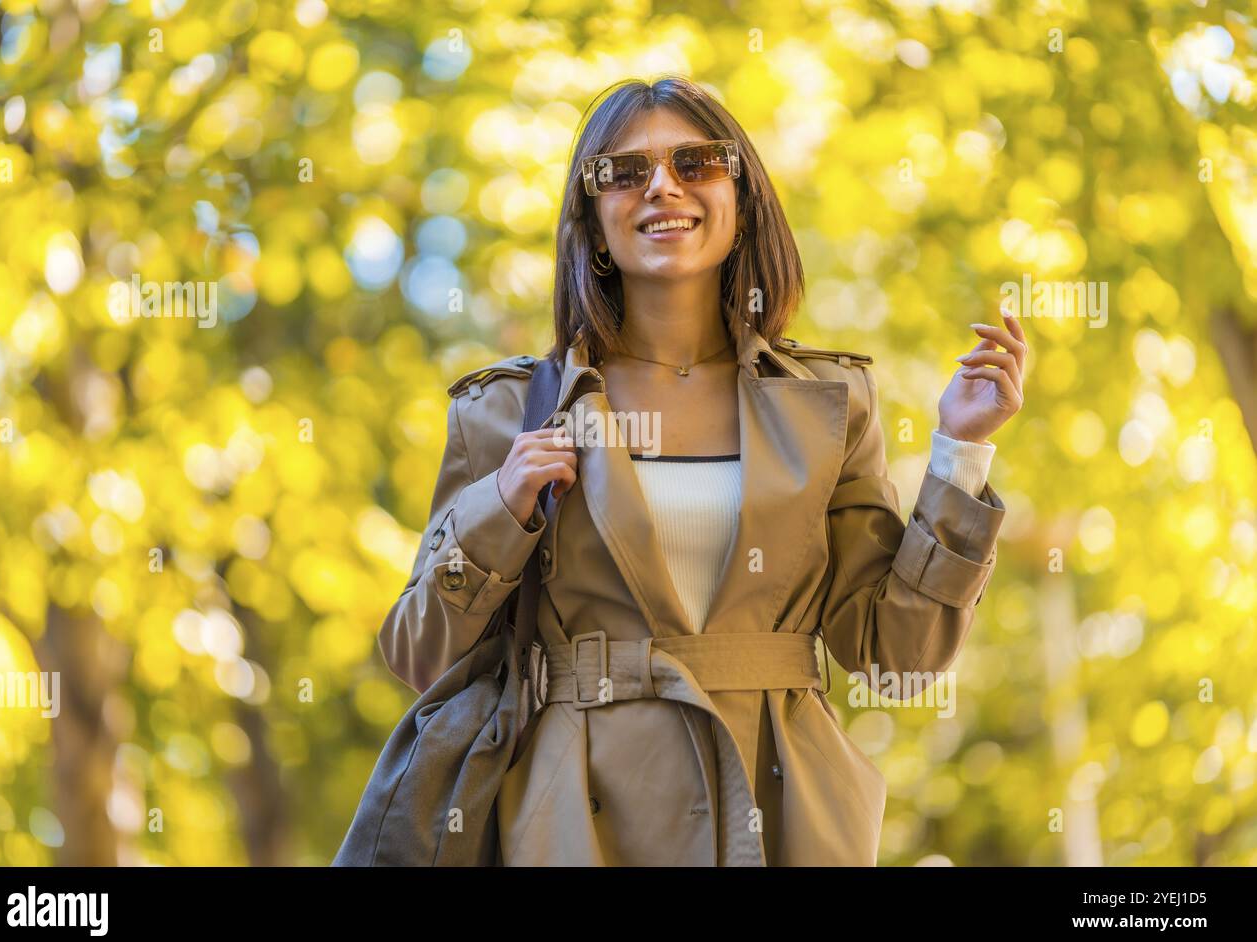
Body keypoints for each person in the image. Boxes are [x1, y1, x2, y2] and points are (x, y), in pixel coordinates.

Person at [379, 75, 1024, 865]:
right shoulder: (507, 411)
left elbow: (899, 659)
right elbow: (418, 655)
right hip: (571, 826)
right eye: (624, 171)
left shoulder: (831, 405)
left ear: (742, 197)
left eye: (696, 162)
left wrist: (959, 453)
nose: (661, 186)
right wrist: (502, 506)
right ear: (593, 217)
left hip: (781, 811)